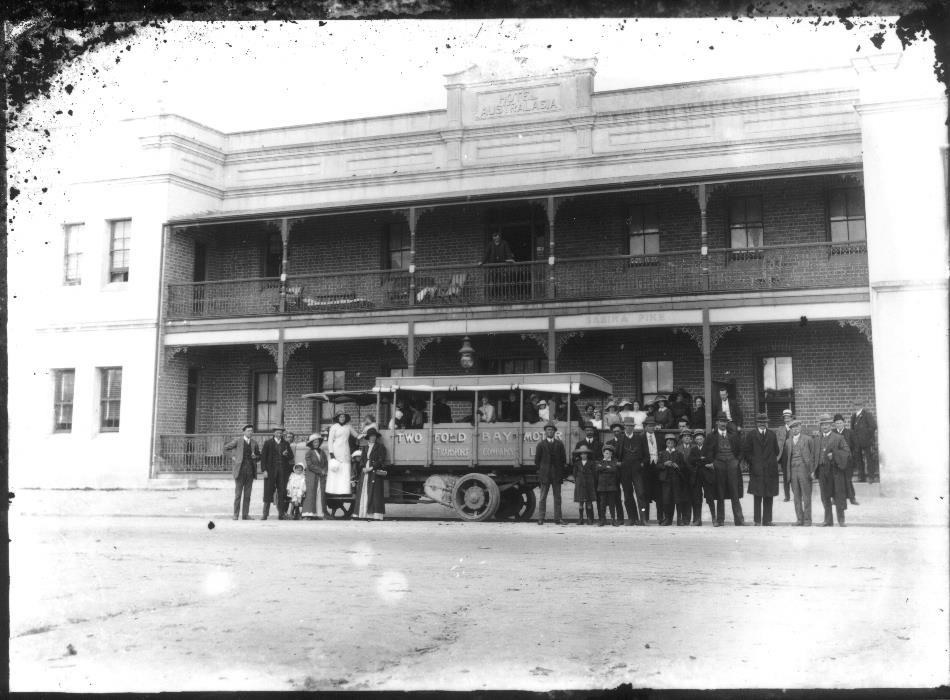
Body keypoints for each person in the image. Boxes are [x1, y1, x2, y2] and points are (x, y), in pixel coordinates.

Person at [706, 412, 745, 526]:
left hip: (732, 464)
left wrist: (737, 461)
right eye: (721, 421)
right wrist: (713, 462)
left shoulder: (733, 435)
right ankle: (720, 519)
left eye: (725, 422)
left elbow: (741, 449)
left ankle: (739, 519)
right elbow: (707, 452)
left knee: (734, 492)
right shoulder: (711, 436)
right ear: (717, 422)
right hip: (719, 465)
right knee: (720, 492)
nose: (723, 424)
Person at [742, 413, 781, 526]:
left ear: (767, 423)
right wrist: (754, 462)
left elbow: (777, 451)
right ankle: (757, 520)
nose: (762, 424)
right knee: (757, 495)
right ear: (757, 423)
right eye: (760, 422)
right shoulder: (751, 435)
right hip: (757, 470)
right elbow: (746, 452)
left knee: (769, 495)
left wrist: (770, 461)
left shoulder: (772, 435)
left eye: (764, 422)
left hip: (770, 470)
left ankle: (767, 520)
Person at [814, 413, 851, 527]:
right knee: (825, 496)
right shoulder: (817, 439)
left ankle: (841, 520)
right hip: (822, 471)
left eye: (827, 424)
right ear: (820, 426)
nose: (824, 427)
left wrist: (834, 455)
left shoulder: (838, 438)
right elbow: (814, 456)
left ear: (831, 425)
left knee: (838, 495)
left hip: (835, 471)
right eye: (822, 425)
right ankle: (828, 520)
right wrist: (813, 470)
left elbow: (847, 452)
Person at [224, 423, 261, 520]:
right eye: (248, 431)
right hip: (240, 471)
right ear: (244, 432)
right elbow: (225, 448)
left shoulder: (254, 443)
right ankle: (236, 514)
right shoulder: (237, 441)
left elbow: (258, 456)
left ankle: (245, 515)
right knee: (238, 494)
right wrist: (232, 457)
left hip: (250, 472)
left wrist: (255, 457)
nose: (250, 432)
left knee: (247, 495)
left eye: (251, 431)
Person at [784, 419, 816, 526]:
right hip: (793, 471)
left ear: (800, 427)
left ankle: (807, 520)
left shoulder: (808, 439)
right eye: (793, 427)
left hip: (804, 470)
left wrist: (812, 471)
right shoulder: (788, 442)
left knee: (806, 496)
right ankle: (799, 519)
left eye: (797, 427)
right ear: (791, 429)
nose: (795, 429)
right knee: (796, 496)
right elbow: (787, 458)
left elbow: (813, 456)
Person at [534, 421, 567, 525]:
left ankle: (558, 519)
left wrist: (559, 472)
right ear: (545, 431)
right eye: (548, 429)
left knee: (557, 497)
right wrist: (543, 471)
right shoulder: (541, 444)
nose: (550, 431)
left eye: (552, 429)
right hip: (545, 475)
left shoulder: (559, 444)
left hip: (556, 475)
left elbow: (563, 460)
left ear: (555, 432)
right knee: (543, 497)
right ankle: (541, 518)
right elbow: (537, 461)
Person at [616, 417, 647, 525]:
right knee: (628, 495)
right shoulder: (620, 438)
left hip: (637, 470)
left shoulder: (640, 438)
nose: (629, 428)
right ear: (624, 426)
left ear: (633, 427)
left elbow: (646, 454)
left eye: (631, 426)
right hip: (625, 471)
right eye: (627, 426)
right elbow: (616, 455)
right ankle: (632, 518)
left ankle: (643, 518)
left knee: (641, 494)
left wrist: (642, 463)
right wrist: (619, 463)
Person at [261, 426, 294, 520]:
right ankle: (265, 514)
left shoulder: (286, 443)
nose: (279, 434)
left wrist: (286, 454)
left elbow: (291, 456)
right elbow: (263, 457)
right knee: (268, 491)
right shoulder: (268, 443)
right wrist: (264, 470)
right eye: (277, 433)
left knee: (282, 491)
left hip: (282, 471)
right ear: (274, 433)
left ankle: (281, 514)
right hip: (270, 470)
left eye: (281, 433)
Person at [354, 428, 388, 520]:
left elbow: (381, 459)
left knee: (375, 493)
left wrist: (372, 467)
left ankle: (375, 515)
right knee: (364, 491)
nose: (373, 438)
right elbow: (362, 460)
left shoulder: (380, 447)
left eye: (374, 436)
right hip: (365, 471)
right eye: (371, 436)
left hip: (374, 471)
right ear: (368, 437)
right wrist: (363, 467)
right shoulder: (365, 447)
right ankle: (363, 513)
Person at [658, 433, 686, 526]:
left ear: (674, 443)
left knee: (677, 499)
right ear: (666, 443)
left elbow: (683, 466)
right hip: (665, 480)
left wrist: (677, 466)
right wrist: (664, 464)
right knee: (666, 499)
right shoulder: (662, 453)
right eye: (668, 442)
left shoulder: (678, 453)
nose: (670, 444)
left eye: (672, 442)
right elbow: (658, 466)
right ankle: (667, 519)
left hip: (676, 479)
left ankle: (679, 519)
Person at [327, 413, 356, 499]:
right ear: (338, 418)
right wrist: (331, 453)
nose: (342, 418)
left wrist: (366, 433)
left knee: (344, 469)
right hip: (336, 450)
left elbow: (356, 435)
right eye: (340, 417)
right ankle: (333, 491)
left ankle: (344, 491)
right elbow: (330, 441)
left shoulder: (348, 427)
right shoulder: (334, 427)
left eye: (343, 417)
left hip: (345, 450)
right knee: (336, 469)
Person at [480, 230, 516, 300]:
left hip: (502, 266)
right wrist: (482, 261)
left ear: (499, 238)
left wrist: (510, 259)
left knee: (503, 281)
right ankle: (493, 297)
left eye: (497, 238)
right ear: (493, 238)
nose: (496, 239)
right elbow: (487, 254)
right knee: (494, 282)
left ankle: (503, 296)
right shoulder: (490, 244)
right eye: (495, 238)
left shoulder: (504, 243)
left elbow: (508, 252)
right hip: (493, 267)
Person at [850, 397, 879, 484]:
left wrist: (866, 436)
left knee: (869, 458)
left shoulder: (867, 414)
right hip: (857, 442)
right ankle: (861, 477)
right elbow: (852, 429)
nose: (857, 406)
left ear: (862, 405)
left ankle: (871, 477)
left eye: (859, 405)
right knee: (859, 460)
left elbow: (873, 426)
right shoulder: (854, 416)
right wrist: (854, 439)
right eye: (855, 405)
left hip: (867, 441)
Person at [834, 413, 859, 506]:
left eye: (840, 423)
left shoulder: (850, 433)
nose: (839, 425)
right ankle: (835, 499)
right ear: (834, 424)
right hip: (836, 462)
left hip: (848, 461)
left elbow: (856, 446)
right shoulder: (833, 433)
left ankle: (852, 498)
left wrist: (853, 458)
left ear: (844, 423)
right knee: (836, 480)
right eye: (837, 423)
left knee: (848, 480)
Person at [302, 431, 328, 520]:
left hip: (321, 477)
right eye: (314, 442)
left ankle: (319, 513)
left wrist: (325, 470)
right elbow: (310, 465)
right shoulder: (309, 453)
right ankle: (308, 513)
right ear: (311, 443)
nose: (316, 444)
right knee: (312, 493)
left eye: (317, 442)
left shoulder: (322, 452)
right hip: (312, 476)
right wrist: (320, 471)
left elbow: (325, 463)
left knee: (320, 493)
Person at [595, 444, 622, 526]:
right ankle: (602, 520)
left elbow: (614, 470)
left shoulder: (614, 461)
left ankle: (613, 520)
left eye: (609, 453)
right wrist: (608, 467)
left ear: (611, 454)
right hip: (602, 486)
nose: (607, 454)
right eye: (606, 453)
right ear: (603, 453)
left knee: (612, 504)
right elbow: (597, 469)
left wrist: (604, 468)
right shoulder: (599, 462)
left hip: (612, 486)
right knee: (602, 504)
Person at [571, 444, 597, 525]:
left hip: (589, 484)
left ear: (587, 454)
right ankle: (581, 519)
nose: (583, 455)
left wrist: (591, 481)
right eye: (582, 454)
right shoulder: (577, 463)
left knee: (589, 503)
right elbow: (574, 474)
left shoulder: (591, 463)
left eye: (585, 453)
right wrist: (578, 481)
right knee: (581, 503)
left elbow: (594, 474)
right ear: (580, 455)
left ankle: (589, 519)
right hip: (580, 484)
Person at [642, 417, 661, 523]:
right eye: (649, 425)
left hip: (657, 467)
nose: (652, 427)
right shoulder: (641, 437)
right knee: (645, 494)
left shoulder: (658, 436)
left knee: (659, 493)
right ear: (645, 427)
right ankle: (645, 517)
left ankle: (660, 517)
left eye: (653, 425)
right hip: (646, 468)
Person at [776, 409, 794, 502]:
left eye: (788, 417)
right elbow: (777, 443)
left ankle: (798, 494)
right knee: (785, 476)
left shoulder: (794, 428)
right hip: (783, 456)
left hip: (793, 455)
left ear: (791, 418)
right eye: (785, 418)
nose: (787, 419)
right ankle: (787, 496)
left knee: (794, 475)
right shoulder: (780, 429)